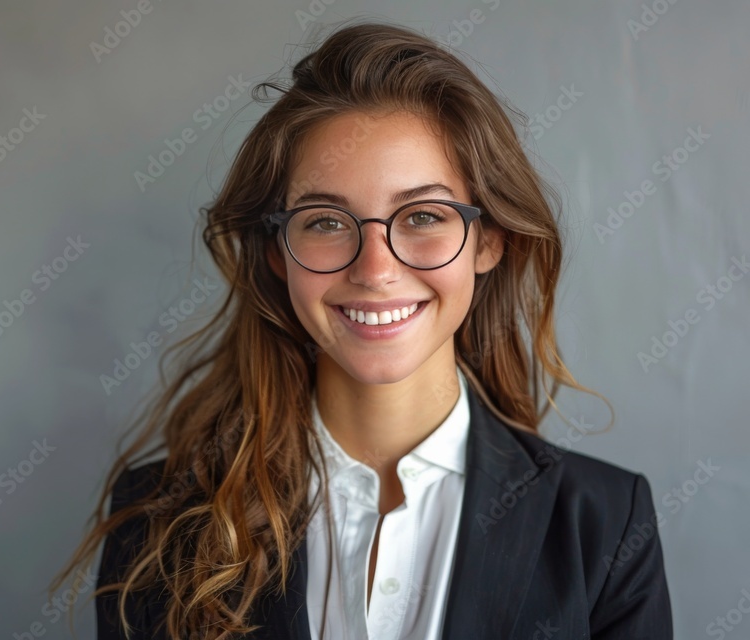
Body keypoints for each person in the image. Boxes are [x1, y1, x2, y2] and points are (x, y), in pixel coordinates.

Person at [49, 18, 673, 640]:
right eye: (325, 222)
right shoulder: (158, 519)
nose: (375, 270)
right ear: (277, 251)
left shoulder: (606, 527)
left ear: (488, 241)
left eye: (423, 215)